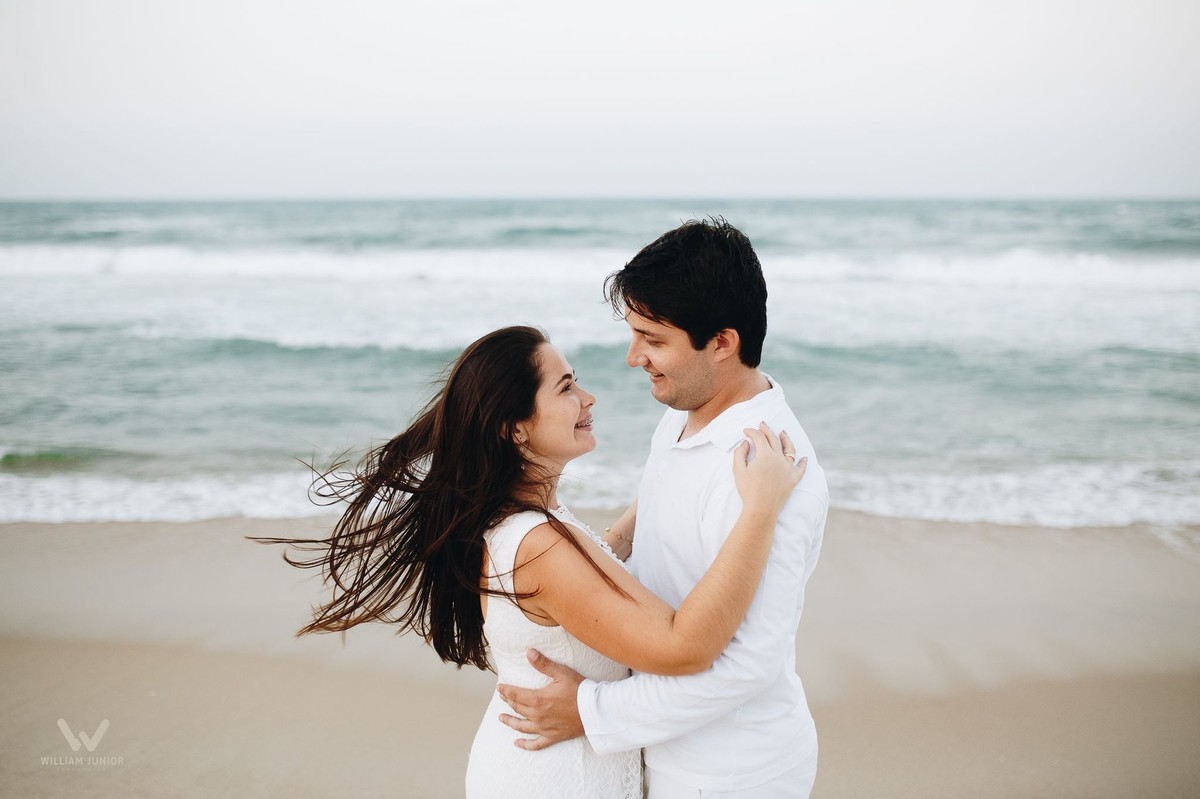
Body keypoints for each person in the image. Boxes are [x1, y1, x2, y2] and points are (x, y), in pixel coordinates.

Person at [256, 324, 807, 798]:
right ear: (514, 426)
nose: (589, 398)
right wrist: (759, 509)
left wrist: (665, 478)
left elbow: (594, 563)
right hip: (554, 777)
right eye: (566, 387)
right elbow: (683, 646)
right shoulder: (536, 544)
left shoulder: (523, 519)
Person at [496, 219, 830, 798]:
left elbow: (746, 666)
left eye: (653, 339)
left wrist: (590, 711)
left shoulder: (768, 471)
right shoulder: (685, 410)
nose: (633, 357)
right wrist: (605, 546)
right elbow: (665, 499)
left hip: (731, 772)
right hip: (661, 750)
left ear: (721, 343)